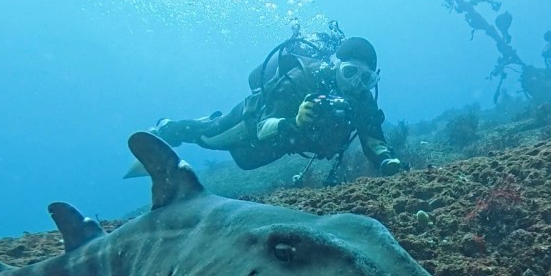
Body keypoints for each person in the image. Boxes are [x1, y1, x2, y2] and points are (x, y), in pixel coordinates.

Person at [145, 36, 404, 178]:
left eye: (367, 78)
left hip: (281, 146)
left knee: (246, 162)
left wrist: (387, 161)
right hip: (252, 120)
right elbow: (262, 128)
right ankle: (167, 129)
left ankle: (200, 123)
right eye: (350, 72)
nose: (357, 83)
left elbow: (373, 140)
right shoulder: (302, 80)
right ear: (336, 65)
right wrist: (296, 122)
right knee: (208, 137)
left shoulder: (364, 102)